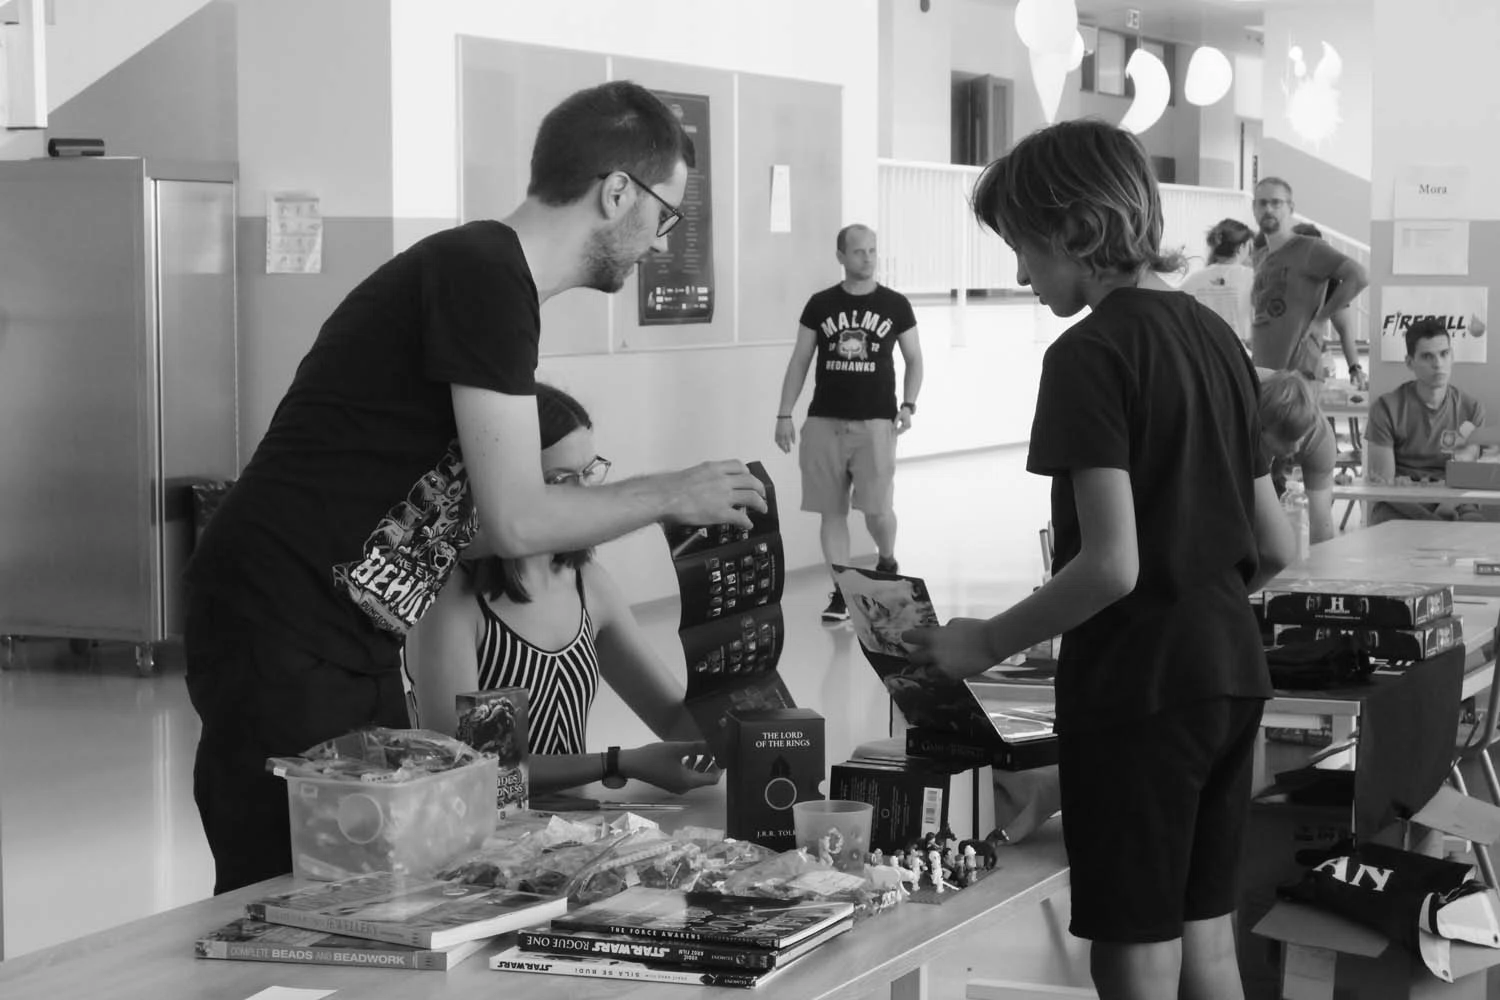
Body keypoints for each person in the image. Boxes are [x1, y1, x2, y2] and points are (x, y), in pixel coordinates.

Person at [183, 81, 767, 895]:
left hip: (351, 625)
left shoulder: (492, 282)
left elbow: (485, 523)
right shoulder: (484, 274)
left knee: (384, 876)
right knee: (292, 887)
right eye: (664, 215)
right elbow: (520, 518)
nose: (660, 244)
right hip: (281, 612)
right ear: (617, 192)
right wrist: (672, 493)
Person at [903, 119, 1295, 1000]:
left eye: (1024, 250)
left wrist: (986, 642)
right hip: (1233, 673)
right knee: (1207, 937)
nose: (1019, 276)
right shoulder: (1217, 339)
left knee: (1135, 947)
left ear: (1078, 231)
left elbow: (1113, 565)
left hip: (1139, 692)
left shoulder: (1088, 353)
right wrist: (1199, 605)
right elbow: (1276, 543)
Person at [408, 385, 721, 795]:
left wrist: (741, 704)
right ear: (494, 485)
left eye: (589, 473)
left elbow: (673, 719)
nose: (586, 497)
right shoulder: (454, 599)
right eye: (559, 479)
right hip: (493, 830)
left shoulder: (586, 581)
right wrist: (617, 763)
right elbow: (474, 771)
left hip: (574, 827)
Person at [773, 224, 923, 622]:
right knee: (832, 512)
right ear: (840, 256)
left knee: (878, 512)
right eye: (858, 251)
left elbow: (915, 360)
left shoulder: (895, 305)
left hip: (876, 423)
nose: (867, 257)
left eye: (872, 250)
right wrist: (784, 413)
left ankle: (886, 560)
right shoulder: (820, 305)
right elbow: (800, 361)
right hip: (824, 422)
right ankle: (843, 591)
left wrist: (909, 404)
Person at [1366, 317, 1486, 524]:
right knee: (1387, 529)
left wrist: (1445, 508)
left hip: (1455, 501)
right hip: (1401, 503)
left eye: (1444, 354)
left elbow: (1465, 476)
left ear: (1452, 356)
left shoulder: (1471, 410)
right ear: (1409, 362)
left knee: (1479, 531)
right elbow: (1383, 487)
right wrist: (1431, 520)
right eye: (1427, 356)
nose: (1438, 364)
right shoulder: (1386, 408)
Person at [1249, 177, 1369, 383]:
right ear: (1254, 208)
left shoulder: (1309, 248)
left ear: (1290, 208)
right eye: (1262, 203)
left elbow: (1359, 276)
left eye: (1276, 203)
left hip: (1298, 376)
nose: (1268, 209)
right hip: (1262, 373)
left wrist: (1321, 319)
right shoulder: (1261, 258)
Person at [1258, 369, 1338, 544]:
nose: (1295, 448)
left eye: (1299, 438)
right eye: (1287, 440)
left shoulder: (1319, 440)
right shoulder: (1237, 425)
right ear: (1261, 429)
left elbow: (1320, 527)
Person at [1289, 221, 1366, 389]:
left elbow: (1345, 329)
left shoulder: (1328, 282)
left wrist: (1354, 367)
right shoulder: (1278, 276)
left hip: (1309, 363)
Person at [1178, 218, 1255, 347]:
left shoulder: (1192, 281)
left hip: (1202, 352)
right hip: (1241, 352)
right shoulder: (1253, 278)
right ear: (1242, 247)